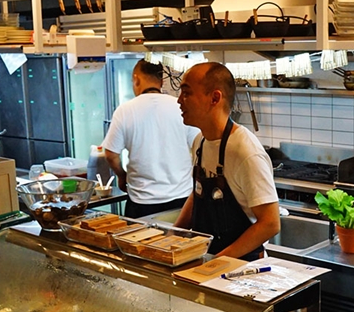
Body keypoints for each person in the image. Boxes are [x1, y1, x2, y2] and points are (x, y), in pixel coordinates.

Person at [173, 62, 280, 261]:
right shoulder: (201, 141)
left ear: (215, 98)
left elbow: (270, 223)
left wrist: (219, 261)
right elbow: (198, 192)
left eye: (186, 93)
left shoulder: (244, 151)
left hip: (241, 269)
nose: (179, 101)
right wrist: (174, 236)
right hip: (207, 259)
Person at [102, 59, 199, 219]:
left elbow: (110, 155)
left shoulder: (125, 111)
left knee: (140, 243)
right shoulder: (180, 106)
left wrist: (122, 175)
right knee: (180, 243)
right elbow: (198, 147)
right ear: (161, 81)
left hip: (142, 203)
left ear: (136, 78)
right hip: (182, 201)